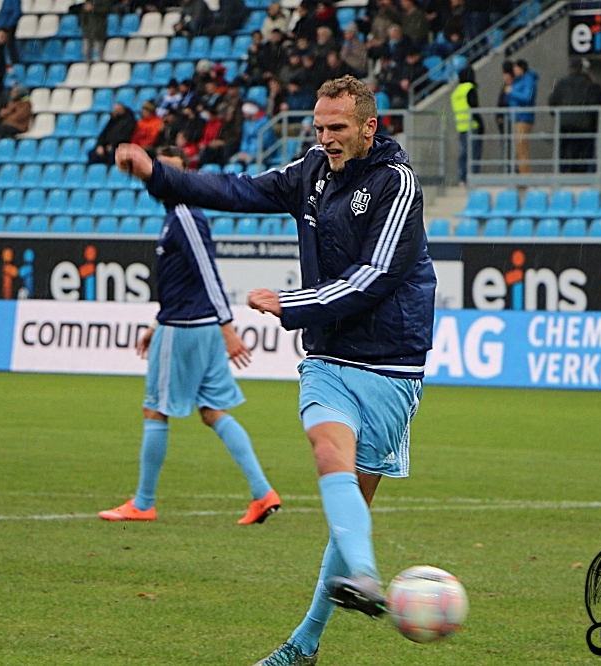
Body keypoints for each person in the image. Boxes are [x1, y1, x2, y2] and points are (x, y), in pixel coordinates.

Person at [114, 74, 435, 666]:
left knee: (353, 507)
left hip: (391, 361)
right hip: (329, 357)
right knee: (326, 451)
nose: (325, 138)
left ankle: (305, 642)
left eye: (337, 127)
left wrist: (293, 304)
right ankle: (364, 575)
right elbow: (236, 189)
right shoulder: (311, 171)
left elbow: (378, 275)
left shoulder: (397, 185)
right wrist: (159, 176)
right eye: (318, 126)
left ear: (369, 126)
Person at [99, 147, 282, 525]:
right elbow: (185, 283)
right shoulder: (177, 217)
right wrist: (155, 325)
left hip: (187, 330)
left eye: (174, 172)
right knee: (213, 412)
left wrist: (228, 327)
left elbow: (208, 273)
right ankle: (263, 493)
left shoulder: (183, 215)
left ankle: (144, 503)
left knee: (155, 409)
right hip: (188, 325)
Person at [548, 58, 601, 173]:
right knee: (583, 155)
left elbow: (552, 103)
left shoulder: (561, 83)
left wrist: (560, 117)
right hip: (584, 126)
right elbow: (597, 104)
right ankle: (581, 176)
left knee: (563, 154)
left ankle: (564, 176)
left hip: (564, 125)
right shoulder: (590, 85)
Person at [451, 65, 482, 184]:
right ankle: (473, 177)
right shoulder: (470, 88)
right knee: (474, 153)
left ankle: (462, 177)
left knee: (464, 153)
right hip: (472, 125)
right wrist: (480, 124)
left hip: (461, 126)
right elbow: (474, 107)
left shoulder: (457, 91)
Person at [508, 59, 537, 174]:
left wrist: (511, 92)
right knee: (519, 149)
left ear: (521, 68)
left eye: (515, 68)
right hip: (517, 117)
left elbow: (527, 97)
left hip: (523, 118)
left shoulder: (528, 80)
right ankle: (522, 175)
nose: (514, 71)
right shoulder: (519, 81)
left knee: (522, 149)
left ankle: (525, 177)